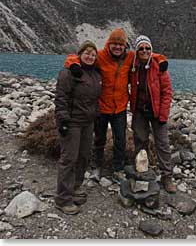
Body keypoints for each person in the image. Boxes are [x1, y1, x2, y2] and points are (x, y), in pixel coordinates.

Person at [64, 28, 168, 184]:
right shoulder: (99, 56)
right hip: (101, 106)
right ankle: (96, 166)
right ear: (109, 44)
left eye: (121, 44)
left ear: (125, 46)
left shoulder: (130, 57)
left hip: (119, 107)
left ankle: (118, 169)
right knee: (99, 139)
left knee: (120, 140)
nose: (118, 47)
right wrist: (72, 65)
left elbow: (148, 54)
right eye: (115, 44)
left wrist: (162, 59)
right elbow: (77, 57)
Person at [54, 40, 102, 215]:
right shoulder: (69, 72)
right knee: (69, 159)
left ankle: (74, 187)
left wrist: (96, 115)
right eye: (87, 53)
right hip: (72, 122)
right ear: (80, 54)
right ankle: (62, 198)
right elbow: (61, 98)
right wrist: (63, 121)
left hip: (87, 122)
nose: (90, 56)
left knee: (83, 157)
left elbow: (95, 99)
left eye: (93, 54)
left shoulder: (95, 74)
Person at [130, 35, 176, 193]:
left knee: (162, 144)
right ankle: (142, 170)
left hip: (157, 112)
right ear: (136, 51)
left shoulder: (159, 65)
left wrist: (163, 115)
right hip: (140, 111)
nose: (144, 51)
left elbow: (167, 92)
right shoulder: (133, 65)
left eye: (147, 48)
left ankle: (167, 176)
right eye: (141, 48)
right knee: (140, 141)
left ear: (151, 50)